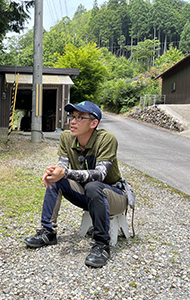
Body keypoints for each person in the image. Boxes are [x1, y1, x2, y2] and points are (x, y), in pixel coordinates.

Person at [24, 101, 128, 268]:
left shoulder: (107, 139)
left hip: (114, 196)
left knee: (93, 186)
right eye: (72, 116)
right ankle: (48, 232)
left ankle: (102, 245)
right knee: (56, 179)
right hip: (88, 195)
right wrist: (54, 172)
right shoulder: (67, 137)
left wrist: (64, 173)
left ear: (94, 123)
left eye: (80, 117)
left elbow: (100, 174)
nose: (73, 121)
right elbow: (63, 166)